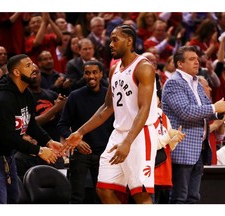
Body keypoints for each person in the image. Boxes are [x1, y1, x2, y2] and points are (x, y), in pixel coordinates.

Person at [63, 24, 158, 204]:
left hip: (139, 135)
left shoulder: (144, 67)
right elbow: (107, 107)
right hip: (118, 134)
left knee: (140, 194)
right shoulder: (115, 69)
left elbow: (144, 108)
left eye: (115, 40)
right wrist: (80, 132)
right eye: (110, 40)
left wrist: (128, 142)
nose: (111, 44)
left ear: (129, 41)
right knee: (103, 190)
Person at [0, 54, 63, 204]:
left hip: (6, 154)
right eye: (28, 65)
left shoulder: (25, 93)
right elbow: (9, 137)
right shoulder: (3, 100)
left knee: (14, 200)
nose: (34, 68)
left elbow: (30, 123)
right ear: (17, 72)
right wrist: (39, 150)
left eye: (33, 64)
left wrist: (48, 141)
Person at [161, 45, 225, 204]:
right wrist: (214, 107)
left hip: (199, 149)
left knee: (194, 198)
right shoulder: (174, 83)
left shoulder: (196, 82)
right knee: (179, 198)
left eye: (197, 59)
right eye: (191, 59)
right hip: (182, 148)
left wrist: (222, 110)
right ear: (180, 64)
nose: (197, 62)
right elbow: (186, 112)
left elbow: (207, 109)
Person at [57, 60, 114, 204]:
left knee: (103, 196)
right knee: (77, 196)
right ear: (83, 75)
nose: (91, 76)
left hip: (104, 154)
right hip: (81, 153)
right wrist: (77, 140)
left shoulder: (110, 98)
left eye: (95, 72)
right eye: (87, 73)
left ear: (101, 74)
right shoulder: (75, 96)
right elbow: (62, 125)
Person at [14, 64, 66, 180]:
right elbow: (31, 123)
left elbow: (61, 122)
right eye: (31, 73)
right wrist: (55, 109)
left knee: (58, 187)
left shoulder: (51, 94)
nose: (34, 76)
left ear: (40, 75)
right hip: (30, 152)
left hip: (53, 149)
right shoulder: (23, 97)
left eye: (36, 72)